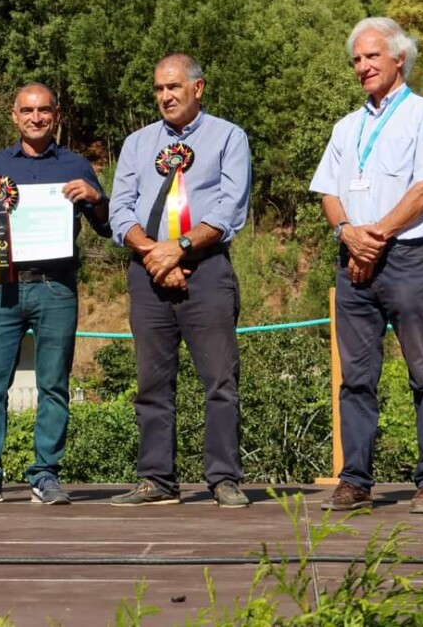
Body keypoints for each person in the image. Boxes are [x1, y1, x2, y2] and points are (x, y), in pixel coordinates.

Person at [310, 17, 423, 515]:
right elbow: (328, 190)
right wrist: (348, 234)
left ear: (399, 59)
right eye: (356, 59)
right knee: (356, 377)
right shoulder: (346, 127)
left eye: (372, 56)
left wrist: (376, 236)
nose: (363, 66)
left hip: (408, 260)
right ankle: (355, 480)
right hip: (353, 260)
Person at [0, 82, 111, 506]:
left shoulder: (76, 165)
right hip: (3, 289)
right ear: (14, 116)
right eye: (27, 111)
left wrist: (95, 197)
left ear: (56, 115)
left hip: (57, 289)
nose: (35, 118)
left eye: (44, 111)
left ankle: (45, 474)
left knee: (53, 385)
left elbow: (107, 227)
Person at [108, 53, 251, 509]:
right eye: (158, 89)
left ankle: (223, 478)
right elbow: (119, 209)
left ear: (198, 88)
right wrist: (154, 252)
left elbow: (231, 208)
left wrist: (182, 247)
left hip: (207, 268)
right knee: (152, 382)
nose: (165, 96)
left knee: (219, 379)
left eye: (173, 87)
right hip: (147, 269)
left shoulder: (229, 137)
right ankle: (156, 480)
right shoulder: (136, 143)